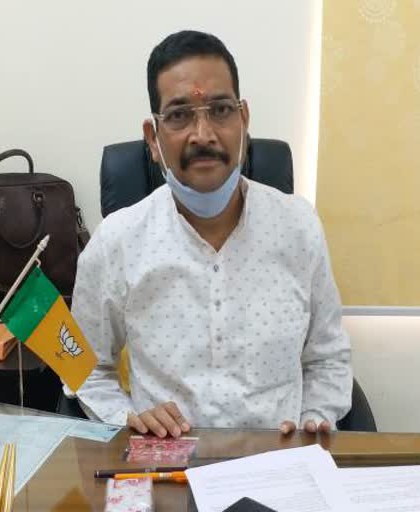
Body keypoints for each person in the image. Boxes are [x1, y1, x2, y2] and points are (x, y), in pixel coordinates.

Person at [70, 30, 352, 437]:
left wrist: (314, 419)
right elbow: (86, 369)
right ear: (153, 138)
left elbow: (327, 358)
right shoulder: (117, 241)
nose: (203, 134)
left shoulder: (298, 227)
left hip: (280, 463)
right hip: (166, 470)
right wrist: (126, 419)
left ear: (244, 120)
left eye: (220, 110)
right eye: (180, 115)